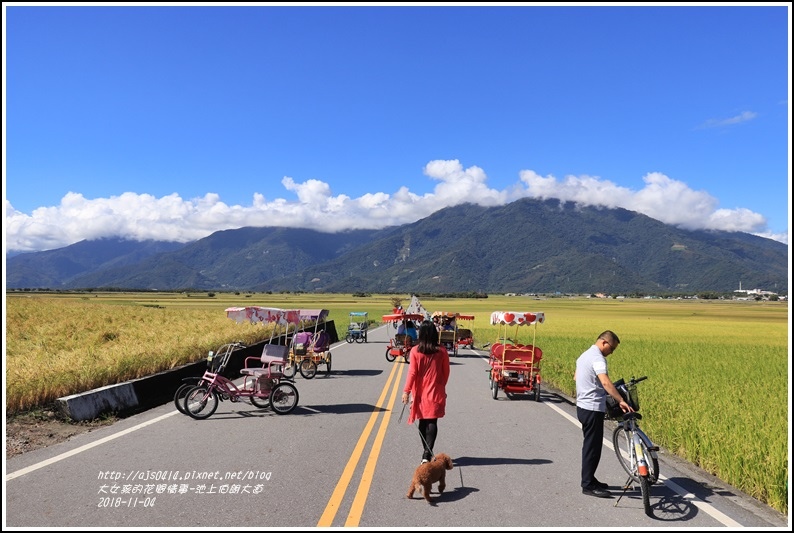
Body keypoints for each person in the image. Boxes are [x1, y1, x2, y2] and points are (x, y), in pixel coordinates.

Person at [574, 330, 633, 498]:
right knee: (592, 448)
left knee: (590, 446)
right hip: (592, 408)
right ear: (604, 343)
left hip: (583, 406)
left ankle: (590, 479)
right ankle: (588, 485)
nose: (611, 352)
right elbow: (605, 382)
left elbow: (576, 377)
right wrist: (620, 399)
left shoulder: (584, 355)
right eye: (612, 349)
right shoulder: (598, 358)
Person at [402, 320, 451, 464]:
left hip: (420, 392)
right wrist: (441, 385)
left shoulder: (415, 351)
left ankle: (426, 454)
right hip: (436, 390)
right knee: (432, 421)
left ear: (421, 334)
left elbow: (412, 373)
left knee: (423, 422)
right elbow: (446, 372)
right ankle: (427, 453)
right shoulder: (441, 351)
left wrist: (406, 391)